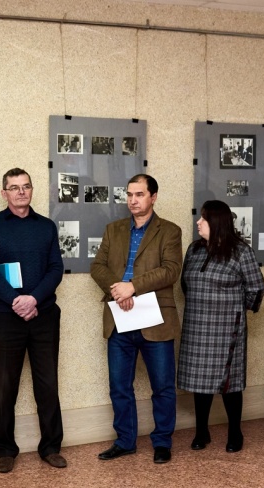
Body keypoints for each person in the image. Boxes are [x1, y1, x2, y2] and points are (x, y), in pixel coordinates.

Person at [0, 168, 66, 473]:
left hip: (43, 316)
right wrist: (17, 300)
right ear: (4, 193)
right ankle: (4, 449)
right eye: (14, 187)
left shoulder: (46, 226)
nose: (21, 192)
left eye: (26, 186)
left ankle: (51, 447)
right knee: (5, 385)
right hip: (6, 317)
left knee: (48, 384)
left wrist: (33, 299)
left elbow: (55, 268)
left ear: (31, 190)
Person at [91, 174, 182, 464]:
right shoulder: (113, 229)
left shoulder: (170, 231)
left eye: (139, 194)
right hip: (120, 316)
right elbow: (98, 266)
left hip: (155, 318)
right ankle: (125, 441)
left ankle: (162, 442)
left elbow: (171, 270)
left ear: (153, 197)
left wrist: (133, 286)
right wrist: (118, 290)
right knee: (119, 386)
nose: (133, 200)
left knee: (162, 386)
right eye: (129, 194)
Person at [178, 200, 264, 453]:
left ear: (216, 222)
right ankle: (201, 431)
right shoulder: (194, 250)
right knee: (199, 380)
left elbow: (256, 288)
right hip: (196, 325)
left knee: (230, 382)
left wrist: (235, 309)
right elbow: (185, 284)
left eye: (203, 219)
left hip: (226, 328)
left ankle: (235, 432)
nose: (198, 222)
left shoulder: (241, 251)